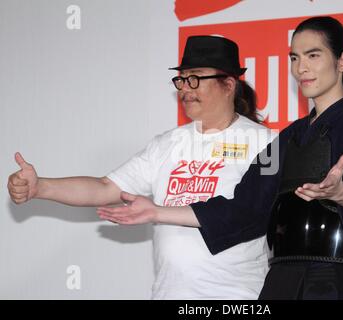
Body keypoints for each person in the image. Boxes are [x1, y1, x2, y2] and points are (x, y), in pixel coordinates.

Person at [96, 16, 343, 300]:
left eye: (313, 56)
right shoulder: (289, 138)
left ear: (342, 61)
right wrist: (157, 212)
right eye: (294, 58)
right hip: (285, 281)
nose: (301, 67)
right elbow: (244, 206)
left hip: (341, 280)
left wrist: (342, 192)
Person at [7, 35, 276, 299]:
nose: (184, 88)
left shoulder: (266, 142)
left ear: (228, 85)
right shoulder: (167, 144)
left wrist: (157, 212)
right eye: (181, 79)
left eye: (195, 78)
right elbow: (103, 188)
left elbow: (254, 213)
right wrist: (40, 186)